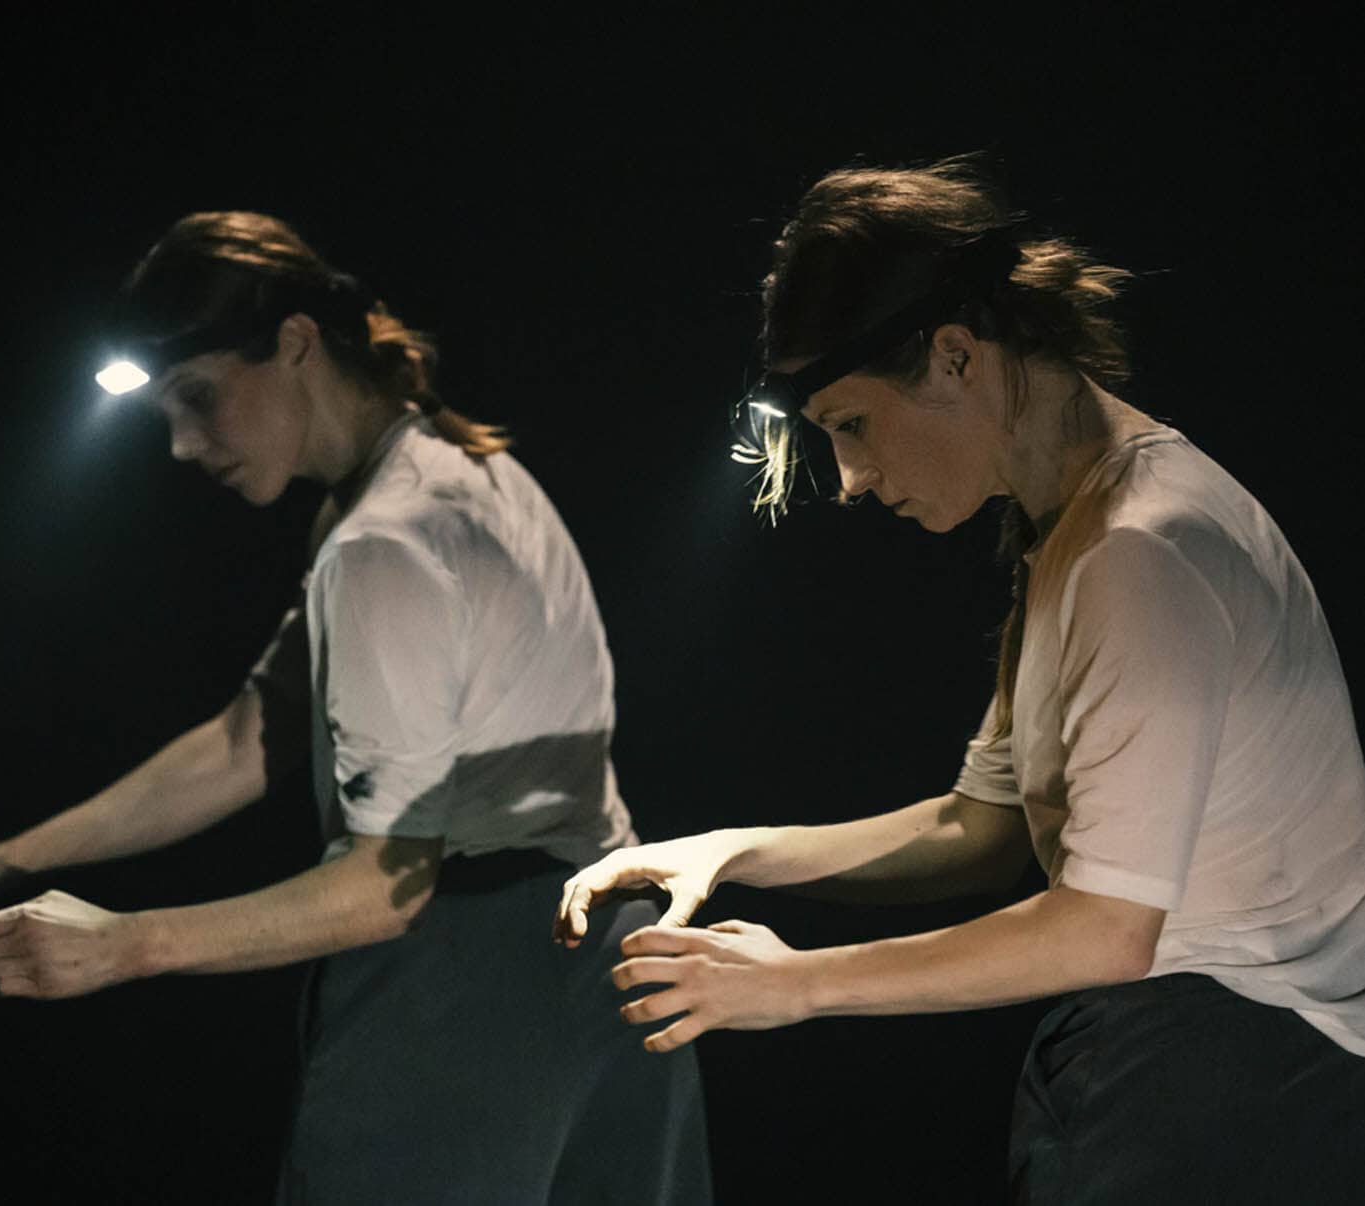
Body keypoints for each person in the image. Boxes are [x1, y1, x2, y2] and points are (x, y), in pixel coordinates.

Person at [0, 211, 710, 1205]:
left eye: (198, 397)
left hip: (470, 988)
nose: (181, 444)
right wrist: (6, 860)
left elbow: (385, 892)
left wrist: (124, 943)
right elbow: (243, 740)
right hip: (620, 960)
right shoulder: (457, 469)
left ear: (296, 342)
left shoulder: (384, 543)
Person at [553, 158, 1365, 1203]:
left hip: (1235, 1082)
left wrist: (797, 983)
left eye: (851, 424)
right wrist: (732, 851)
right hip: (1198, 1065)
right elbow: (979, 830)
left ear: (954, 356)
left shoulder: (1142, 549)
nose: (847, 480)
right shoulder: (1074, 535)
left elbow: (1105, 931)